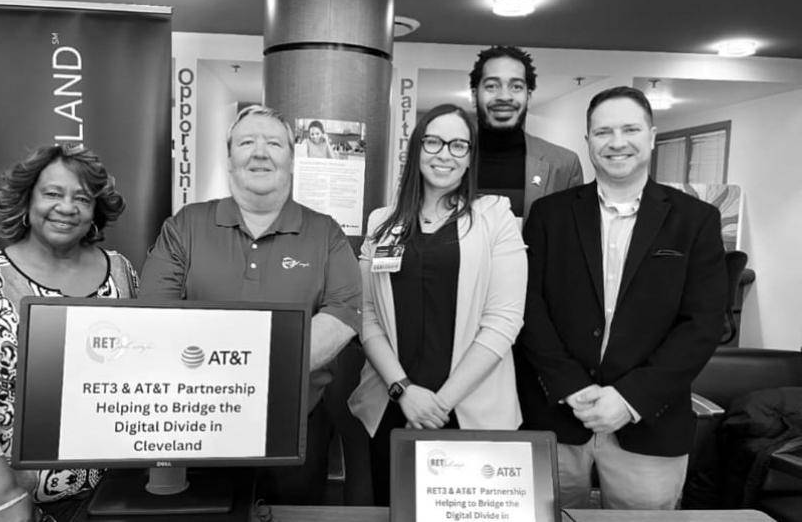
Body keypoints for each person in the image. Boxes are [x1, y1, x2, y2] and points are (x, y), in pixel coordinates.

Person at [515, 86, 727, 510]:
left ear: (651, 136)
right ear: (588, 139)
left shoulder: (696, 219)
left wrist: (630, 399)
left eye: (630, 129)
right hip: (556, 415)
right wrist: (570, 386)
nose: (616, 142)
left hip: (650, 421)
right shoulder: (549, 215)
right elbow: (528, 306)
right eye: (603, 131)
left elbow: (703, 324)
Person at [139, 105, 361, 505]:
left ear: (291, 161)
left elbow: (343, 313)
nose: (260, 153)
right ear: (229, 159)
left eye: (274, 143)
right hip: (199, 423)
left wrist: (241, 371)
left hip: (297, 426)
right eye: (246, 142)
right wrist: (234, 381)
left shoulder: (325, 232)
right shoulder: (185, 225)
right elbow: (157, 317)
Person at [0, 144, 139, 522]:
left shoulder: (121, 273)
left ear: (95, 210)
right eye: (52, 194)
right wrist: (4, 497)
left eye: (82, 198)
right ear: (26, 202)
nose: (67, 207)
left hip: (102, 495)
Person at [348, 103, 528, 506]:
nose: (444, 153)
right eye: (433, 141)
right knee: (394, 509)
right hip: (394, 405)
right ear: (416, 149)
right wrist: (404, 391)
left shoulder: (495, 216)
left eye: (458, 145)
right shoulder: (382, 222)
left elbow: (504, 321)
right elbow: (368, 315)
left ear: (469, 158)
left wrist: (438, 404)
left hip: (468, 411)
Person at [469, 45, 584, 220]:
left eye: (516, 87)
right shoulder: (444, 158)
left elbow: (571, 237)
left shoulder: (564, 165)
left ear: (528, 98)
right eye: (492, 86)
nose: (504, 96)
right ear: (474, 96)